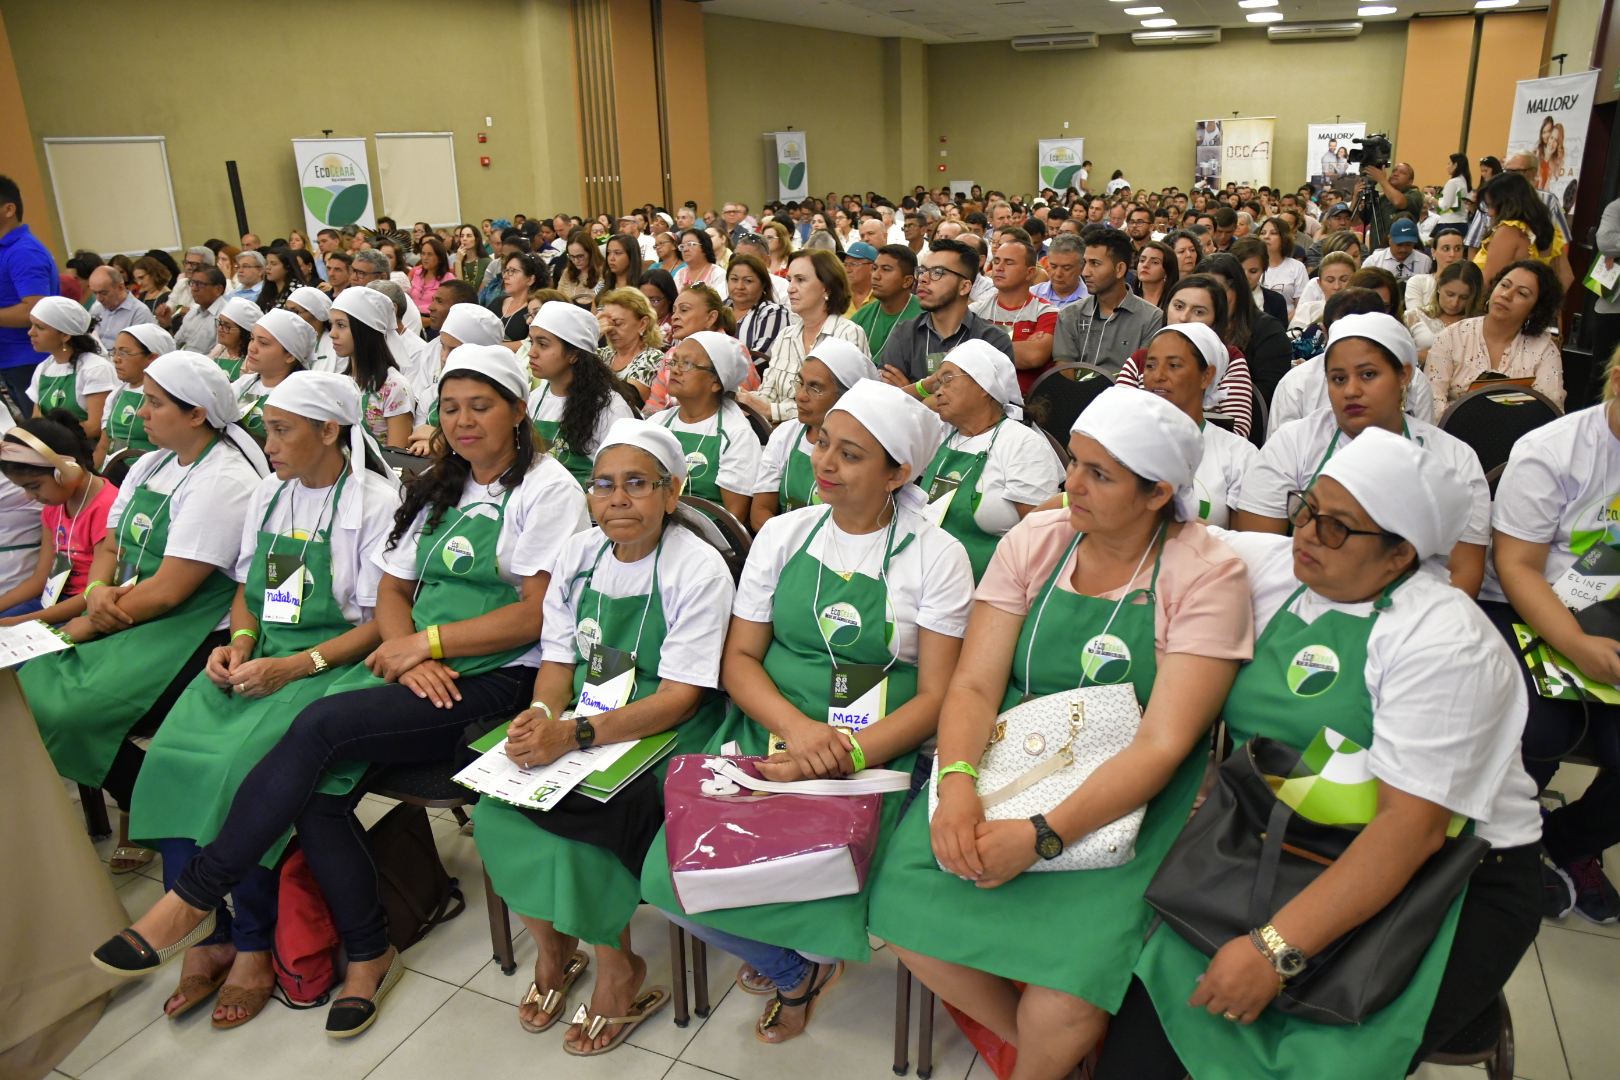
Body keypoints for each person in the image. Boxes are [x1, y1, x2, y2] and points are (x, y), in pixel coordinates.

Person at [92, 345, 588, 1039]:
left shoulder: (547, 488)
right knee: (322, 798)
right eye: (449, 408)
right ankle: (367, 951)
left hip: (498, 678)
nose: (462, 422)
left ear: (516, 411)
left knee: (322, 727)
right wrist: (404, 647)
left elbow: (536, 614)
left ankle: (196, 895)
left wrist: (426, 644)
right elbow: (391, 590)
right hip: (419, 666)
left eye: (481, 407)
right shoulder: (444, 482)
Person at [1101, 428, 1543, 1080]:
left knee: (1318, 1057)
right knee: (1143, 1054)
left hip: (1451, 875)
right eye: (1307, 508)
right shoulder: (1276, 570)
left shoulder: (1445, 643)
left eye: (1337, 528)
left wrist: (1275, 950)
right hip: (1288, 840)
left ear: (1400, 557)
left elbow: (1408, 831)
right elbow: (1152, 528)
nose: (1306, 533)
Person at [868, 385, 1252, 1078]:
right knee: (900, 910)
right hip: (1006, 762)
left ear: (1158, 493)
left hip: (1127, 797)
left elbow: (1163, 743)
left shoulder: (1205, 573)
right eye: (1072, 462)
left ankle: (1041, 1056)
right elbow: (977, 685)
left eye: (1098, 475)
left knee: (1065, 1003)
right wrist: (956, 785)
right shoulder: (1038, 541)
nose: (1069, 484)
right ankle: (1040, 1053)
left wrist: (1042, 834)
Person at [644, 379, 973, 1044]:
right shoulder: (785, 535)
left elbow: (939, 696)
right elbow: (739, 659)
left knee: (834, 867)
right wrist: (797, 731)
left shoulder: (937, 557)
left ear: (898, 473)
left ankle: (811, 956)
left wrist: (844, 752)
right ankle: (793, 969)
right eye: (823, 443)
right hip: (770, 728)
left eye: (850, 455)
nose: (823, 462)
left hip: (879, 747)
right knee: (668, 877)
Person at [125, 371, 399, 1029]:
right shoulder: (271, 494)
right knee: (170, 757)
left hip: (330, 665)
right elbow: (250, 588)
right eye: (266, 426)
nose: (265, 443)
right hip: (264, 658)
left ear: (330, 431)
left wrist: (294, 665)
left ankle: (250, 940)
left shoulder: (374, 502)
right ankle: (207, 932)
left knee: (236, 772)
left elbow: (380, 621)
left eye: (281, 429)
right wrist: (240, 643)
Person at [474, 419, 734, 1053]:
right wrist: (541, 712)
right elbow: (560, 659)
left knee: (590, 826)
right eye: (604, 485)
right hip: (582, 718)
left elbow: (679, 698)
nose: (618, 499)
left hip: (669, 727)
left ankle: (619, 966)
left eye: (637, 484)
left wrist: (574, 735)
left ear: (671, 494)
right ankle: (553, 947)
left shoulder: (698, 569)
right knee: (496, 809)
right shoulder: (577, 554)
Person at [23, 352, 267, 874]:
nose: (143, 415)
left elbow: (171, 591)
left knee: (73, 710)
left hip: (194, 625)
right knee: (33, 682)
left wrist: (89, 620)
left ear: (197, 413)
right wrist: (98, 590)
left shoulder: (223, 479)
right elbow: (111, 541)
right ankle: (147, 798)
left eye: (155, 404)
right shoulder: (152, 461)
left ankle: (154, 803)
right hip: (129, 605)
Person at [1489, 352, 1620, 921]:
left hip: (1609, 612)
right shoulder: (1553, 450)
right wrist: (1578, 645)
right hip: (1525, 602)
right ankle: (1504, 840)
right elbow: (1517, 566)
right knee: (1544, 729)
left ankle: (1568, 840)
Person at [1237, 313, 1489, 595]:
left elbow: (1463, 572)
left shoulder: (1453, 457)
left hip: (1414, 609)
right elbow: (1259, 554)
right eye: (1338, 378)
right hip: (1303, 599)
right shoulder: (1293, 443)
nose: (1351, 391)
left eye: (1368, 375)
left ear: (1404, 375)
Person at [916, 339, 1064, 580]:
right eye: (937, 383)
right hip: (929, 579)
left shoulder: (1021, 444)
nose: (938, 391)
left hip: (991, 584)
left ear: (983, 384)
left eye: (948, 379)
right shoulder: (943, 436)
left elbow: (1041, 536)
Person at [749, 340, 878, 531]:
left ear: (846, 396)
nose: (800, 395)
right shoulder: (785, 435)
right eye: (801, 383)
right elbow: (760, 512)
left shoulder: (865, 450)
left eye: (815, 388)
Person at [0, 413, 113, 626]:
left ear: (65, 473)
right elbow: (39, 580)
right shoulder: (53, 508)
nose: (30, 497)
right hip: (50, 600)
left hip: (84, 609)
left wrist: (19, 621)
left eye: (34, 486)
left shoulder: (107, 508)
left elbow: (94, 592)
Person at [1115, 274, 1256, 438]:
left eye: (1199, 311)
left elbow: (1237, 433)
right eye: (1179, 306)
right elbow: (1117, 423)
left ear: (1215, 321)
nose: (1184, 318)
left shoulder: (1230, 360)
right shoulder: (1140, 359)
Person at [1425, 260, 1564, 416]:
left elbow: (1548, 412)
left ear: (1535, 310)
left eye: (1522, 293)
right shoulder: (1451, 337)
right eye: (1504, 285)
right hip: (1451, 434)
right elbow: (1431, 402)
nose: (1506, 295)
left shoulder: (1544, 350)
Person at [877, 238, 1013, 396]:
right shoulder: (904, 333)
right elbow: (886, 400)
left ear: (964, 287)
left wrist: (915, 391)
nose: (922, 278)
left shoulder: (992, 341)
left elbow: (982, 411)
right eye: (922, 271)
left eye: (937, 273)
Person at [650, 331, 761, 522]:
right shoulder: (657, 423)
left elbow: (733, 518)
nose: (675, 370)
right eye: (674, 361)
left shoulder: (736, 434)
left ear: (716, 382)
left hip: (709, 538)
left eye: (687, 364)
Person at [749, 249, 869, 424]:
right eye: (790, 280)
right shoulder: (786, 336)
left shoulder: (847, 334)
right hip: (779, 435)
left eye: (801, 280)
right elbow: (768, 394)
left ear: (826, 287)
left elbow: (839, 405)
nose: (790, 289)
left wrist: (772, 411)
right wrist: (742, 398)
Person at [525, 301, 634, 487]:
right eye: (531, 342)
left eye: (543, 344)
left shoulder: (609, 407)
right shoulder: (535, 398)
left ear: (573, 354)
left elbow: (623, 476)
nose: (531, 353)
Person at [1052, 229, 1164, 376]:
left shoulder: (1151, 318)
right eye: (1085, 263)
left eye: (1095, 264)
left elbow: (1145, 376)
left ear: (1120, 269)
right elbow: (1065, 373)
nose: (1085, 272)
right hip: (1078, 397)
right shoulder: (1070, 315)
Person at [1195, 253, 1290, 408]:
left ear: (1238, 291)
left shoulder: (1269, 332)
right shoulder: (1190, 327)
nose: (1209, 301)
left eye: (1217, 293)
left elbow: (1267, 398)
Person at [0, 174, 58, 413]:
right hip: (11, 360)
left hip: (29, 361)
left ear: (9, 209)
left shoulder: (24, 251)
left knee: (42, 436)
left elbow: (35, 309)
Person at [329, 287, 415, 447]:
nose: (332, 333)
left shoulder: (394, 387)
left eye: (341, 325)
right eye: (331, 325)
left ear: (365, 330)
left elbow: (396, 456)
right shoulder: (339, 381)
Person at [971, 238, 1059, 394]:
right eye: (997, 261)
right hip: (980, 400)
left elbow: (1033, 356)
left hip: (1029, 406)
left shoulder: (1047, 312)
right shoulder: (974, 311)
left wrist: (977, 346)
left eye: (1009, 262)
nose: (999, 268)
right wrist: (1020, 345)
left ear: (1030, 273)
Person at [26, 296, 118, 440]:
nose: (31, 332)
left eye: (40, 327)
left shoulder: (95, 369)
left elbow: (96, 427)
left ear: (64, 335)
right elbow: (36, 419)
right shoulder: (44, 368)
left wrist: (50, 440)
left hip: (87, 453)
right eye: (32, 325)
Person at [1473, 172, 1572, 293]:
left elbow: (1488, 281)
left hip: (1501, 308)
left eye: (1493, 205)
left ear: (1510, 204)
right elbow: (1567, 277)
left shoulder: (1508, 231)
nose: (1490, 213)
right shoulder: (1550, 232)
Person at [98, 324, 173, 477]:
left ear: (152, 358)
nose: (116, 359)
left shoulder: (167, 397)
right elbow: (103, 446)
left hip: (145, 475)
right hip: (111, 472)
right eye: (115, 352)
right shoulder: (116, 394)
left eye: (124, 353)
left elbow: (164, 453)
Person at [231, 309, 315, 440]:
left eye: (263, 343)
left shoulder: (300, 396)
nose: (252, 348)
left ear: (290, 355)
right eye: (252, 339)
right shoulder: (246, 384)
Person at [851, 244, 922, 361]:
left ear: (907, 281)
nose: (875, 276)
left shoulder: (925, 315)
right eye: (874, 268)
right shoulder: (861, 316)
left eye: (886, 270)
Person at [1405, 260, 1484, 362]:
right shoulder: (1415, 317)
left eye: (1464, 297)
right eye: (1450, 294)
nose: (1455, 303)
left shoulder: (1481, 324)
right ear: (1439, 287)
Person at [595, 288, 665, 401]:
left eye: (618, 324)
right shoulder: (602, 354)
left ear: (642, 324)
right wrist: (591, 337)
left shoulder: (653, 358)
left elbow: (628, 398)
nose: (610, 330)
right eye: (607, 323)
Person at [727, 253, 790, 364]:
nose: (739, 286)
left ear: (763, 284)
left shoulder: (774, 313)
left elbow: (761, 357)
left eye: (748, 281)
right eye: (734, 279)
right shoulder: (718, 310)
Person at [1355, 161, 1421, 252]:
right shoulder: (1380, 199)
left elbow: (1398, 202)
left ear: (1410, 182)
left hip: (1402, 252)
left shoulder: (1415, 195)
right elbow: (1354, 221)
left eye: (1402, 172)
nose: (1396, 174)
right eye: (1394, 171)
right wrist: (1355, 197)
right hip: (1377, 254)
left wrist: (1382, 180)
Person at [1402, 226, 1468, 317]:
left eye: (1457, 249)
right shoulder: (1417, 282)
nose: (1452, 254)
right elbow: (1415, 318)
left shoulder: (1469, 283)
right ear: (1433, 252)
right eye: (1446, 249)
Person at [87, 266, 157, 351]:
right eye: (95, 293)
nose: (99, 299)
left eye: (103, 293)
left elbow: (136, 353)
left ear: (121, 287)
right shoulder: (98, 310)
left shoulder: (139, 313)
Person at [1288, 251, 1356, 330]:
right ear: (1319, 283)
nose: (1337, 286)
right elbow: (1293, 338)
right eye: (1330, 280)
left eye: (1344, 280)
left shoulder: (1365, 311)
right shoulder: (1309, 310)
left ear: (1355, 280)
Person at [1257, 218, 1309, 320]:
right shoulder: (1251, 265)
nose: (1266, 237)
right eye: (1263, 233)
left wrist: (1280, 325)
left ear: (1284, 238)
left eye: (1273, 233)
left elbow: (1302, 306)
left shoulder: (1297, 267)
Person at [489, 252, 548, 342]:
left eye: (512, 271)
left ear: (530, 279)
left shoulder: (536, 310)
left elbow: (530, 343)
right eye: (506, 271)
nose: (505, 276)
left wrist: (490, 347)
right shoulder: (497, 302)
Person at [1363, 218, 1434, 284]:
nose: (1403, 249)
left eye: (1408, 245)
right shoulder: (1373, 262)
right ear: (1389, 239)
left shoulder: (1425, 262)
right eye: (1399, 244)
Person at [209, 296, 262, 381]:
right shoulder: (219, 350)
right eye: (220, 323)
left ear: (244, 333)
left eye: (227, 326)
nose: (219, 329)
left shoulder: (251, 359)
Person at [1032, 232, 1088, 308]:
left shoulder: (1092, 301)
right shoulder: (1031, 295)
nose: (1058, 274)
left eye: (1066, 268)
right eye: (1053, 266)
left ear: (1082, 268)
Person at [672, 228, 726, 300]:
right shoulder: (680, 274)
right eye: (682, 246)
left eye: (690, 244)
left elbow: (720, 302)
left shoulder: (718, 274)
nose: (685, 249)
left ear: (704, 248)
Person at [558, 229, 606, 307]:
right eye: (571, 256)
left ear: (591, 253)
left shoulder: (604, 273)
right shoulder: (567, 273)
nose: (576, 261)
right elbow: (558, 300)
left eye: (580, 256)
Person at [407, 236, 453, 314]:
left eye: (430, 254)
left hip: (434, 319)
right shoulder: (417, 274)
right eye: (423, 254)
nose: (425, 258)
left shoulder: (448, 278)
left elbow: (448, 307)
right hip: (414, 316)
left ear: (440, 258)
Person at [1133, 239, 1178, 310]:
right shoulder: (1126, 297)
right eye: (1142, 260)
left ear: (1167, 270)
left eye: (1155, 262)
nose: (1145, 265)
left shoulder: (1175, 302)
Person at [1436, 153, 1472, 226]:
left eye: (1449, 164)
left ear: (1455, 165)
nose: (1447, 167)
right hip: (1462, 221)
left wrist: (1430, 199)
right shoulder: (1465, 181)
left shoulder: (1454, 182)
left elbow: (1445, 206)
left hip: (1450, 222)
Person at [453, 224, 491, 288]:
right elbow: (458, 289)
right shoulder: (457, 263)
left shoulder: (487, 262)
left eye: (469, 236)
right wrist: (458, 261)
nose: (464, 239)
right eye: (462, 236)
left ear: (476, 240)